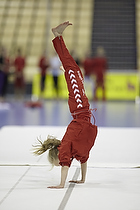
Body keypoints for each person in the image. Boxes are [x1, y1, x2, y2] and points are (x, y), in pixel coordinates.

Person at [33, 21, 98, 189]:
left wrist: (61, 184)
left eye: (56, 162)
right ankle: (58, 37)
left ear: (57, 156)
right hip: (80, 106)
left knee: (71, 68)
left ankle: (57, 36)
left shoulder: (66, 148)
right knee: (72, 69)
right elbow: (84, 159)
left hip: (79, 106)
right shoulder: (77, 150)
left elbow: (65, 165)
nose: (60, 164)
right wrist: (83, 179)